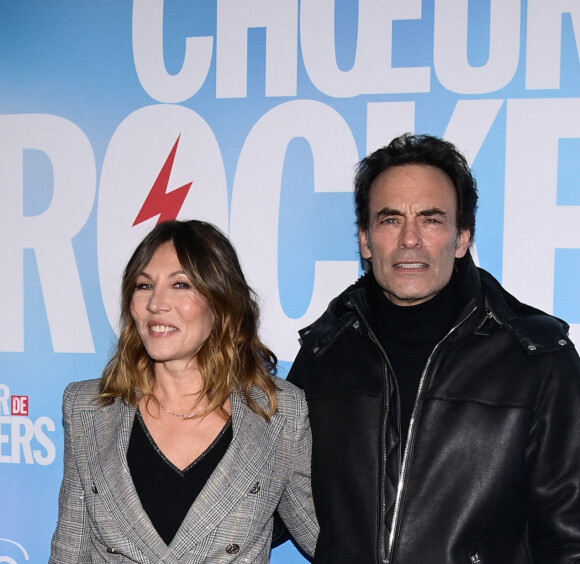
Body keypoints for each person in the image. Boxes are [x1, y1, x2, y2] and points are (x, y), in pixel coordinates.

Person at [287, 134, 580, 563]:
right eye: (389, 220)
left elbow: (569, 538)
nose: (410, 239)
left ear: (462, 238)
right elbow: (265, 506)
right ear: (366, 240)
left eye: (431, 219)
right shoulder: (324, 355)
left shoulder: (538, 359)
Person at [50, 219, 318, 563]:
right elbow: (70, 549)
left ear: (221, 303)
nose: (156, 304)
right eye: (144, 285)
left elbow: (326, 537)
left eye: (181, 284)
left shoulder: (279, 412)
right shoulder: (88, 408)